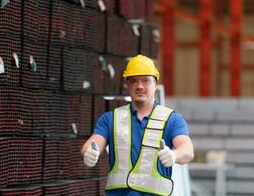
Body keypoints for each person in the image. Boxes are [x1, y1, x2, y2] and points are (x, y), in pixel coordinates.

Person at [81, 54, 194, 196]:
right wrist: (89, 153)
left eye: (146, 81)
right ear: (127, 85)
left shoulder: (172, 120)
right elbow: (92, 144)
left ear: (155, 83)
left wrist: (174, 155)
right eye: (134, 81)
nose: (140, 86)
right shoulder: (110, 119)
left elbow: (188, 150)